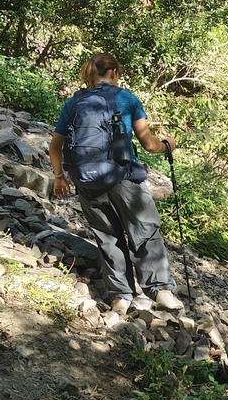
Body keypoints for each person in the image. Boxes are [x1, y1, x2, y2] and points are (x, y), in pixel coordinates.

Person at [49, 52, 182, 316]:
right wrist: (167, 145)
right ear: (114, 73)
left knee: (107, 236)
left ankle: (121, 296)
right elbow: (148, 143)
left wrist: (58, 176)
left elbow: (55, 145)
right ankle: (160, 290)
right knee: (145, 229)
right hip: (123, 178)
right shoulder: (126, 99)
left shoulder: (74, 103)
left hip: (86, 179)